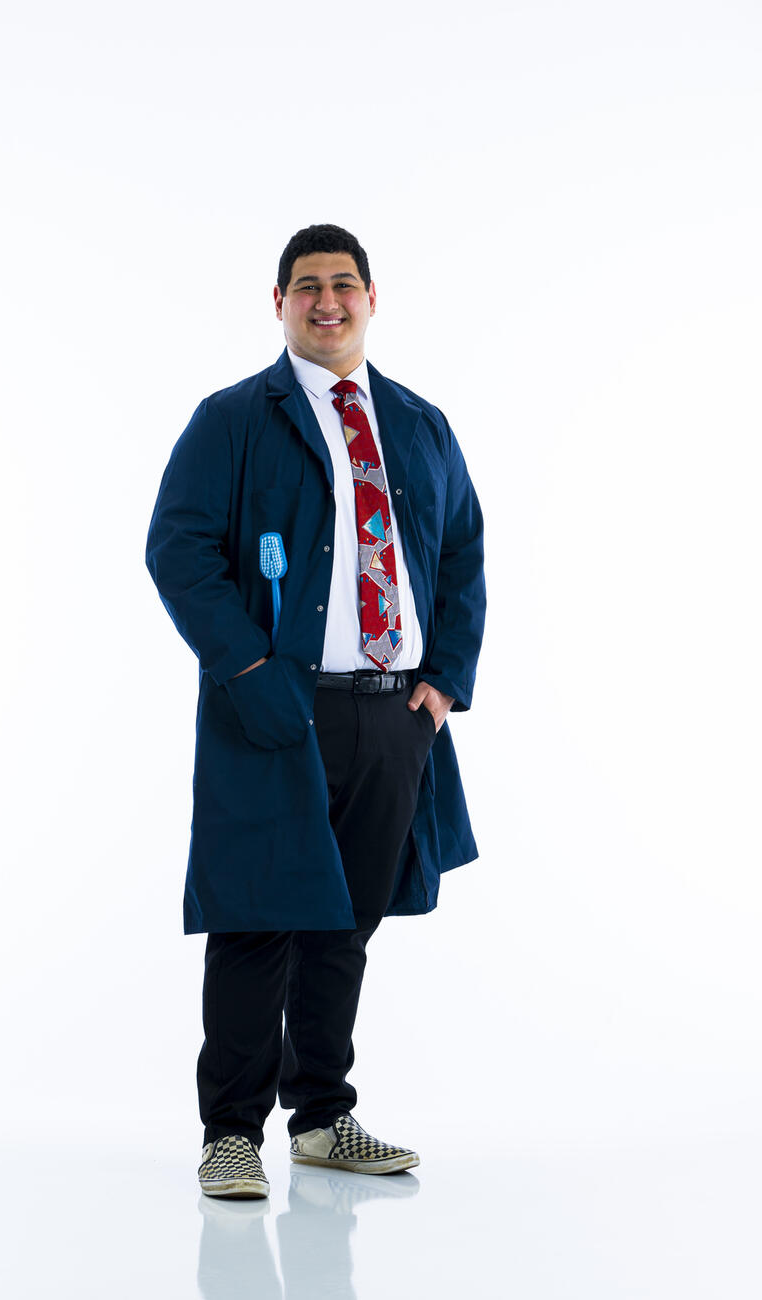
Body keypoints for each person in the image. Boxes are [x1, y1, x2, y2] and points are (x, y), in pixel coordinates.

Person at [145, 223, 486, 1198]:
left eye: (343, 284)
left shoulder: (417, 425)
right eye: (307, 286)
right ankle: (231, 1134)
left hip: (391, 716)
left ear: (373, 299)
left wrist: (440, 683)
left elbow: (459, 549)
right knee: (258, 915)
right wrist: (250, 670)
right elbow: (179, 548)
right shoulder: (233, 419)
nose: (326, 301)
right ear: (280, 303)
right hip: (274, 707)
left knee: (346, 924)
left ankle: (326, 1118)